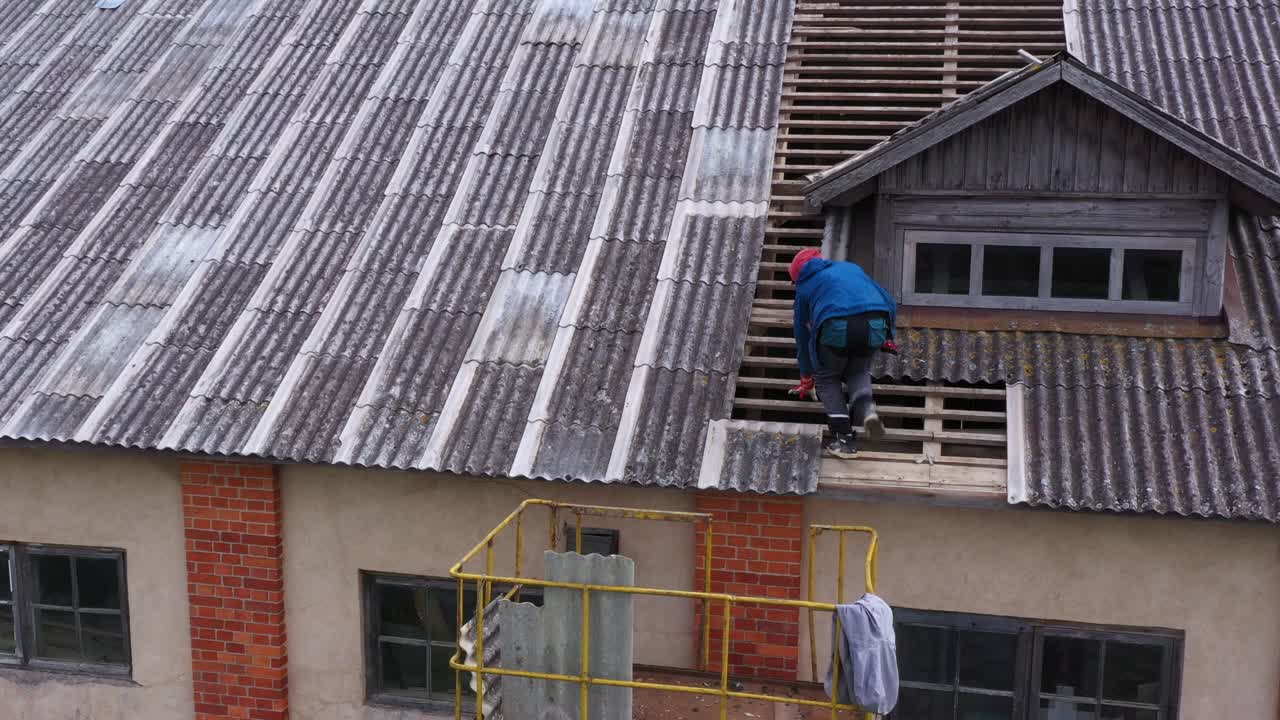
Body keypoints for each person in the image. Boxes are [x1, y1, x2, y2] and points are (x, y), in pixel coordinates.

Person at [788, 248, 896, 458]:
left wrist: (806, 376)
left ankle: (845, 441)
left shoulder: (805, 287)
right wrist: (889, 335)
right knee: (858, 371)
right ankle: (868, 412)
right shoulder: (851, 268)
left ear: (798, 275)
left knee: (827, 378)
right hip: (874, 324)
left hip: (837, 326)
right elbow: (889, 301)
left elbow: (802, 334)